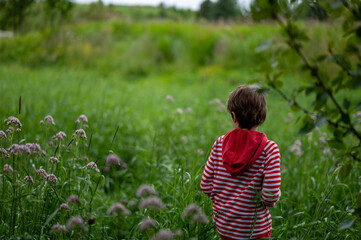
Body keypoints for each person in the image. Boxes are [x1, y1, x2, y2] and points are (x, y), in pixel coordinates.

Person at [200, 85, 281, 240]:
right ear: (262, 117)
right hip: (255, 230)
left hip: (224, 228)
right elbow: (270, 197)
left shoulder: (219, 144)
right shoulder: (269, 149)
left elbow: (205, 186)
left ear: (234, 116)